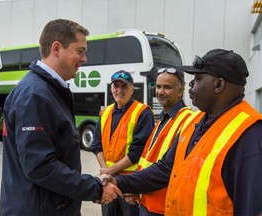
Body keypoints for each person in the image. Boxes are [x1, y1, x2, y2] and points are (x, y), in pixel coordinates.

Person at [103, 49, 262, 216]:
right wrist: (119, 181)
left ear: (219, 85)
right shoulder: (196, 121)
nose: (191, 84)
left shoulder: (249, 134)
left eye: (198, 78)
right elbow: (165, 169)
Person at [0, 19, 121, 216]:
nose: (84, 59)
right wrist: (94, 188)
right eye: (80, 51)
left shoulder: (48, 91)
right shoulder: (35, 95)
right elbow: (40, 166)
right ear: (57, 48)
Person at [91, 70, 155, 216]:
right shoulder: (105, 112)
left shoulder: (142, 113)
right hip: (108, 181)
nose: (119, 90)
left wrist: (108, 171)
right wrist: (105, 171)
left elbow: (138, 151)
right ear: (111, 88)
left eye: (124, 86)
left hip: (130, 183)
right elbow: (96, 145)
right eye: (116, 86)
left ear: (132, 89)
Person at [136, 67, 193, 216]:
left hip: (163, 207)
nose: (160, 92)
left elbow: (169, 168)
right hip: (147, 199)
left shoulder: (187, 120)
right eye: (158, 86)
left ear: (181, 91)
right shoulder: (163, 118)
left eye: (167, 87)